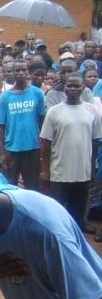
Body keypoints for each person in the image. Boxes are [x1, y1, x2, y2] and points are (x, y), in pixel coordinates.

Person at [40, 73, 101, 234]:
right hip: (60, 170)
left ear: (83, 88)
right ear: (64, 87)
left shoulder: (92, 110)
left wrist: (93, 165)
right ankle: (57, 233)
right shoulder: (54, 111)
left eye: (76, 86)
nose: (72, 89)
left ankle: (78, 229)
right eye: (69, 85)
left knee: (79, 207)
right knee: (57, 207)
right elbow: (46, 143)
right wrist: (46, 170)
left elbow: (95, 141)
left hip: (83, 169)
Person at [0, 59, 46, 190]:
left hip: (32, 147)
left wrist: (43, 146)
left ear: (28, 72)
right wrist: (1, 153)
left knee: (32, 186)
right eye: (17, 70)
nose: (21, 73)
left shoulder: (37, 93)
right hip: (11, 149)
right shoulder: (6, 97)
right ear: (12, 73)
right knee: (10, 186)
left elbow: (42, 121)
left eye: (23, 70)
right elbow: (0, 126)